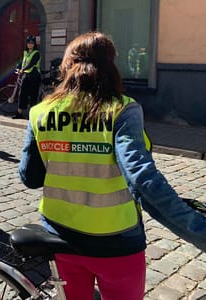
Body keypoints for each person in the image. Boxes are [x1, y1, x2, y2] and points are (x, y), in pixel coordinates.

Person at [18, 31, 206, 300]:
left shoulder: (40, 112)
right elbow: (142, 178)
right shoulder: (122, 109)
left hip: (61, 236)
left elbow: (30, 177)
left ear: (67, 67)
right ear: (109, 66)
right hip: (116, 243)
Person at [12, 35, 41, 119]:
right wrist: (18, 67)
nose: (30, 44)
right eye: (28, 43)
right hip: (26, 75)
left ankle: (31, 115)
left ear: (34, 44)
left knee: (33, 96)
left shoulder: (36, 53)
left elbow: (31, 63)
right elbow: (22, 62)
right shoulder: (26, 52)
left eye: (32, 43)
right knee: (22, 94)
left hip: (34, 75)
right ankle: (19, 113)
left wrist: (23, 69)